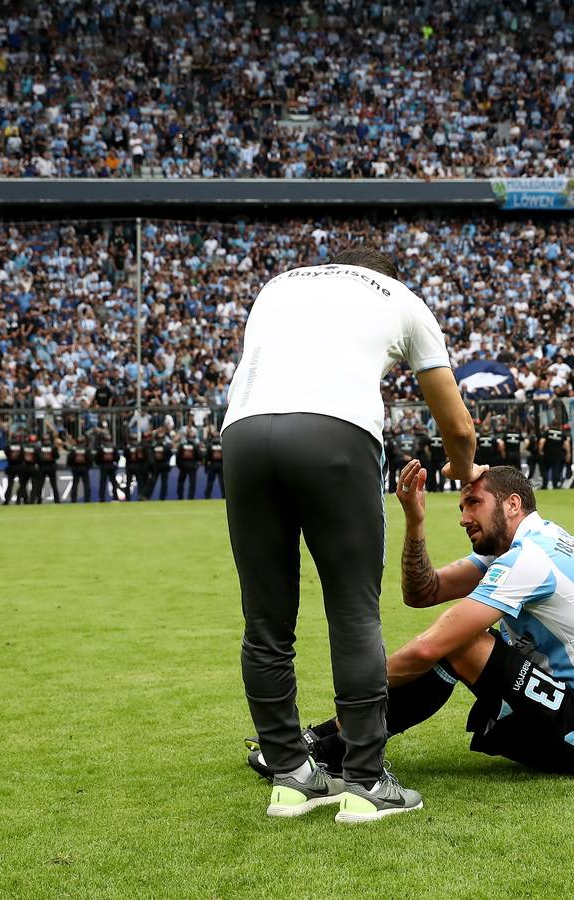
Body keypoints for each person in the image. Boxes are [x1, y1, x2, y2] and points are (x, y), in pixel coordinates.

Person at [221, 245, 482, 821]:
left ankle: (289, 776)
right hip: (335, 438)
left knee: (265, 621)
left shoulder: (277, 285)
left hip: (240, 436)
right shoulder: (401, 299)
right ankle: (364, 782)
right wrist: (466, 473)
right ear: (381, 274)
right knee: (354, 610)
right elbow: (458, 425)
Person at [247, 464, 574, 790]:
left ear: (512, 504)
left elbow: (428, 648)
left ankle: (321, 746)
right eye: (461, 507)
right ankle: (323, 744)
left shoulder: (530, 559)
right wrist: (415, 520)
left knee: (457, 645)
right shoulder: (523, 549)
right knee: (455, 648)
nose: (463, 518)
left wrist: (359, 691)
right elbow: (424, 591)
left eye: (473, 503)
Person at [175, 425, 202, 500]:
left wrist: (180, 465)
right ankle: (191, 497)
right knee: (192, 483)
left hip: (183, 466)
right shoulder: (195, 445)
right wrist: (196, 465)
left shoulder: (182, 445)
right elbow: (200, 456)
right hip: (192, 466)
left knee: (181, 482)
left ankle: (180, 497)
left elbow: (177, 457)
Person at [33, 430, 61, 502]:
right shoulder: (53, 447)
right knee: (53, 485)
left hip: (42, 467)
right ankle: (57, 500)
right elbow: (57, 456)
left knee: (40, 485)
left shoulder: (39, 448)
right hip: (51, 467)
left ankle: (39, 500)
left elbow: (36, 458)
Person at [66, 436, 92, 503]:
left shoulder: (73, 450)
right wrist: (88, 467)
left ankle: (73, 500)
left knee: (75, 485)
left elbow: (69, 460)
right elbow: (90, 460)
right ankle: (87, 499)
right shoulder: (86, 449)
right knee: (86, 484)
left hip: (76, 469)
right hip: (84, 468)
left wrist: (72, 467)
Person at [202, 426, 224, 499]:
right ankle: (224, 496)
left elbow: (206, 457)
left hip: (212, 465)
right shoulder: (222, 445)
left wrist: (206, 468)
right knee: (222, 483)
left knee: (210, 483)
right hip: (220, 465)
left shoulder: (210, 446)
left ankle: (207, 496)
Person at [3, 434, 26, 504]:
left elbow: (6, 453)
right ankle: (20, 499)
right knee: (22, 484)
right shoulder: (21, 446)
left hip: (11, 466)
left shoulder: (8, 447)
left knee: (10, 484)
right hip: (20, 466)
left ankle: (7, 500)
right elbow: (23, 454)